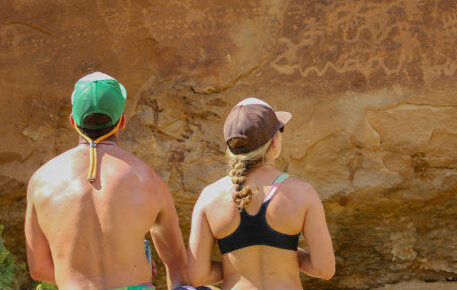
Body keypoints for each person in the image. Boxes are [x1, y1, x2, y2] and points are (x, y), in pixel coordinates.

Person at [24, 71, 189, 290]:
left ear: (73, 121)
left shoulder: (42, 180)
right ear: (121, 121)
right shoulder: (150, 180)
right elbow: (178, 270)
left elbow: (38, 268)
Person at [187, 98, 334, 290]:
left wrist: (239, 264)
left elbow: (198, 276)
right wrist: (285, 253)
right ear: (274, 141)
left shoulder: (210, 197)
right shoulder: (302, 192)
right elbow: (324, 269)